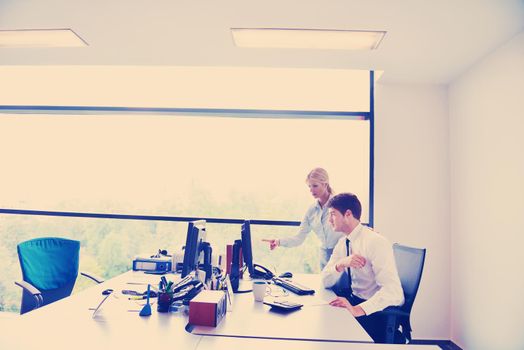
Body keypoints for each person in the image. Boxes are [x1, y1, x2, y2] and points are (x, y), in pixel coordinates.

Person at [321, 193, 405, 343]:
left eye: (332, 214)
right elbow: (325, 280)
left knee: (328, 334)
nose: (329, 220)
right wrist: (341, 264)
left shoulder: (375, 242)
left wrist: (357, 310)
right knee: (323, 321)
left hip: (374, 314)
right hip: (355, 301)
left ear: (348, 214)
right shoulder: (343, 243)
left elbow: (394, 292)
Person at [262, 168, 344, 270]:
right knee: (325, 285)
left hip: (343, 255)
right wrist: (278, 242)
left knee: (343, 285)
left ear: (325, 184)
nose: (311, 190)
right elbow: (299, 238)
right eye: (309, 186)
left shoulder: (340, 204)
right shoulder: (311, 211)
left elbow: (351, 228)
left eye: (315, 186)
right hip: (324, 257)